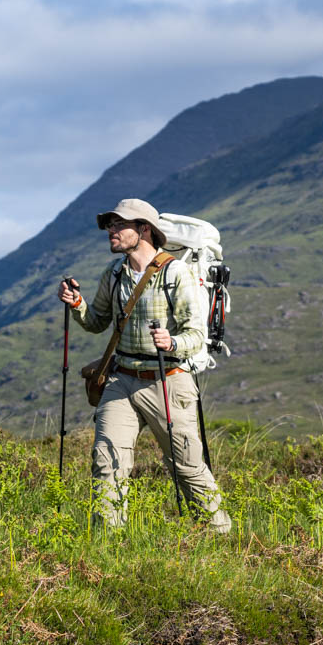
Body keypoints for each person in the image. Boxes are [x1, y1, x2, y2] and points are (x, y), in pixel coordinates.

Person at [58, 198, 231, 532]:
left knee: (187, 465)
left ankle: (219, 536)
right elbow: (96, 322)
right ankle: (109, 544)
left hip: (168, 379)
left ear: (144, 230)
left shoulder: (174, 272)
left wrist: (172, 343)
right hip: (121, 380)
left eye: (118, 224)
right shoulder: (114, 274)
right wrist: (77, 303)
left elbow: (195, 334)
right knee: (106, 461)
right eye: (109, 224)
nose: (111, 230)